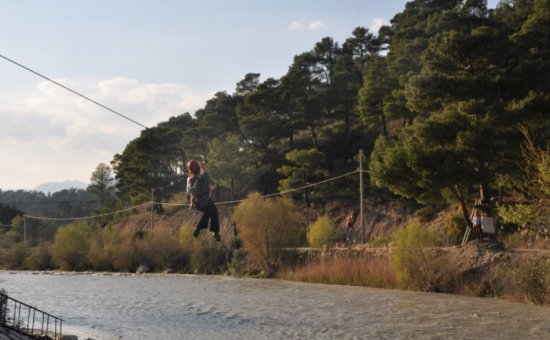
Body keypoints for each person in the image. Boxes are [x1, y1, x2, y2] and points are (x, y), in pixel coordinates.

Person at [186, 159, 221, 241]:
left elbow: (189, 193)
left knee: (209, 212)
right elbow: (213, 183)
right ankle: (215, 233)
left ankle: (198, 229)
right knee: (214, 212)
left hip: (196, 204)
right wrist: (204, 169)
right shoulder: (204, 176)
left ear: (190, 170)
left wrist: (191, 201)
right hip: (206, 202)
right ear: (199, 168)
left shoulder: (189, 180)